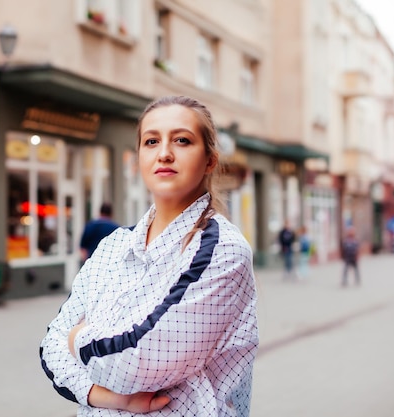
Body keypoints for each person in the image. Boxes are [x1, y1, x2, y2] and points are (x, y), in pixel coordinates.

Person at [40, 95, 259, 416]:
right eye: (151, 141)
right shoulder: (114, 245)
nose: (165, 153)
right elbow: (49, 348)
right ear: (138, 157)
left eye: (182, 140)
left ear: (210, 160)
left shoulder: (222, 249)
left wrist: (77, 335)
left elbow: (135, 358)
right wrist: (105, 396)